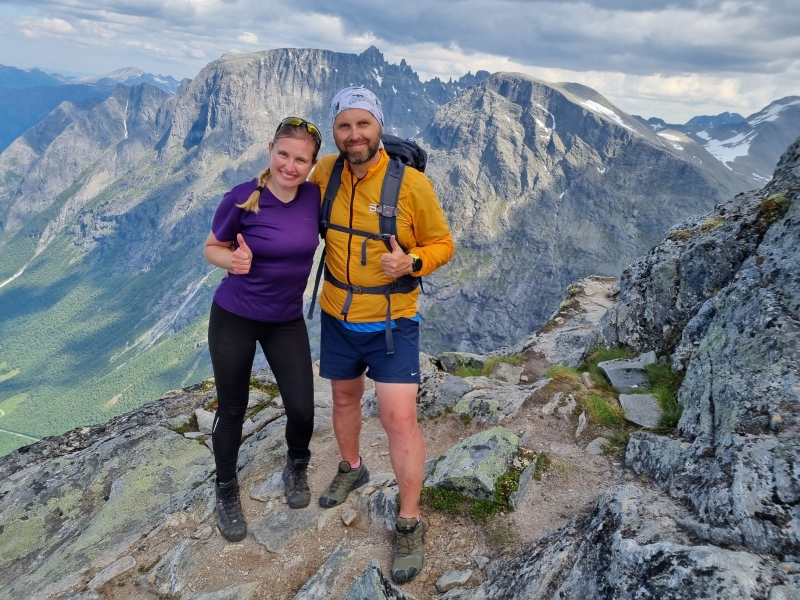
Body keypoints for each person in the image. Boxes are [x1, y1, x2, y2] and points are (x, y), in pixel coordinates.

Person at [310, 86, 454, 582]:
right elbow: (286, 191)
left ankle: (410, 522)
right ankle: (352, 467)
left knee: (398, 418)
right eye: (345, 126)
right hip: (336, 313)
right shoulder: (325, 172)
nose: (354, 135)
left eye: (363, 125)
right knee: (344, 401)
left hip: (393, 322)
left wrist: (411, 261)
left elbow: (442, 243)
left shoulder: (411, 185)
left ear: (379, 128)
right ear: (335, 130)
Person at [203, 117, 322, 542]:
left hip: (285, 319)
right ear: (271, 149)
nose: (290, 166)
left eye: (300, 159)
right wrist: (231, 262)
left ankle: (296, 466)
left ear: (312, 164)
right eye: (284, 154)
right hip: (235, 315)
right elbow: (212, 247)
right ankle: (225, 490)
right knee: (232, 409)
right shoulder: (240, 198)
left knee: (303, 409)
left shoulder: (314, 197)